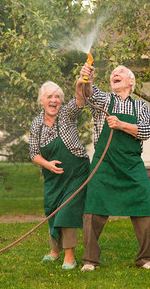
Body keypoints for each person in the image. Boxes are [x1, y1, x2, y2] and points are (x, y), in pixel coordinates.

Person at [75, 63, 150, 271]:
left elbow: (145, 131)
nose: (115, 74)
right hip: (104, 165)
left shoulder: (140, 107)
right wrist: (88, 79)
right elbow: (89, 95)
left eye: (120, 72)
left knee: (144, 207)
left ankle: (145, 259)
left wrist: (121, 125)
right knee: (93, 210)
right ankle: (90, 260)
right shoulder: (105, 99)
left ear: (131, 81)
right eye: (113, 74)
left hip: (131, 165)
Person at [29, 81, 90, 270]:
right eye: (50, 97)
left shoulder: (66, 113)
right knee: (52, 209)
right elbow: (33, 153)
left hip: (76, 172)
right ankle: (55, 251)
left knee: (67, 209)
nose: (54, 100)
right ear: (41, 100)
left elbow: (79, 100)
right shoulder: (36, 123)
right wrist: (47, 164)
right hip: (53, 176)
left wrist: (81, 82)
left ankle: (69, 257)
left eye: (57, 97)